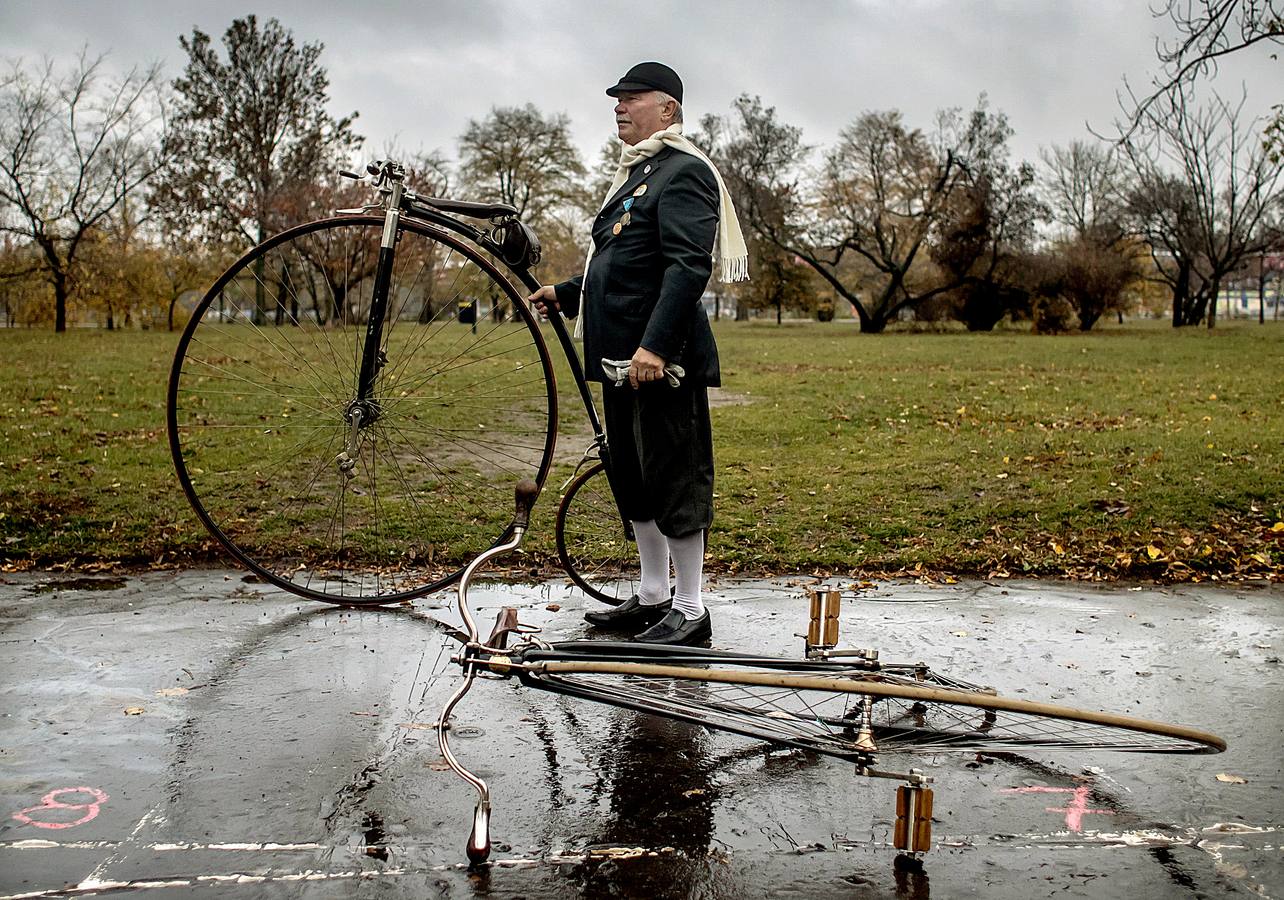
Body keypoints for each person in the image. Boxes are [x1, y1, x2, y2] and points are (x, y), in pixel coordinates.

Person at [528, 61, 748, 646]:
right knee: (634, 477)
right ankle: (653, 597)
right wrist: (568, 292)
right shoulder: (638, 174)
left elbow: (686, 266)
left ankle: (692, 608)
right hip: (620, 358)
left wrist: (655, 346)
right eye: (616, 99)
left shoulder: (684, 173)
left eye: (632, 97)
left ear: (668, 109)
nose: (619, 106)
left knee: (674, 476)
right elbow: (623, 266)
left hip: (659, 362)